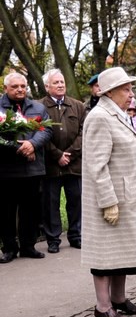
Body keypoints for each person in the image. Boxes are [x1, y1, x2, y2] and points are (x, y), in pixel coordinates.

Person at [82, 67, 136, 317]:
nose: (130, 94)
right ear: (111, 92)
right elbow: (96, 165)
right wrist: (108, 202)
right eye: (126, 89)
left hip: (127, 196)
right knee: (106, 256)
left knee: (122, 253)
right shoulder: (99, 117)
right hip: (112, 199)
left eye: (129, 88)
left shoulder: (117, 114)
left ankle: (118, 299)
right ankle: (102, 306)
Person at [0, 73, 52, 263]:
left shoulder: (37, 107)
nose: (20, 89)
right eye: (15, 87)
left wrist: (33, 144)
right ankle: (9, 248)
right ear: (6, 88)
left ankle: (28, 246)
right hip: (6, 171)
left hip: (32, 169)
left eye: (23, 86)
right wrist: (21, 148)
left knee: (30, 209)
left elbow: (46, 130)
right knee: (6, 212)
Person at [40, 68, 86, 253]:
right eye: (56, 82)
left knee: (76, 200)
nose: (60, 85)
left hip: (74, 163)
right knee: (51, 203)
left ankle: (75, 235)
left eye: (62, 82)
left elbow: (84, 132)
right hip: (51, 164)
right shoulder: (39, 107)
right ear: (46, 86)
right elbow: (40, 133)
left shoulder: (77, 106)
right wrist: (57, 154)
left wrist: (69, 154)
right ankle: (53, 239)